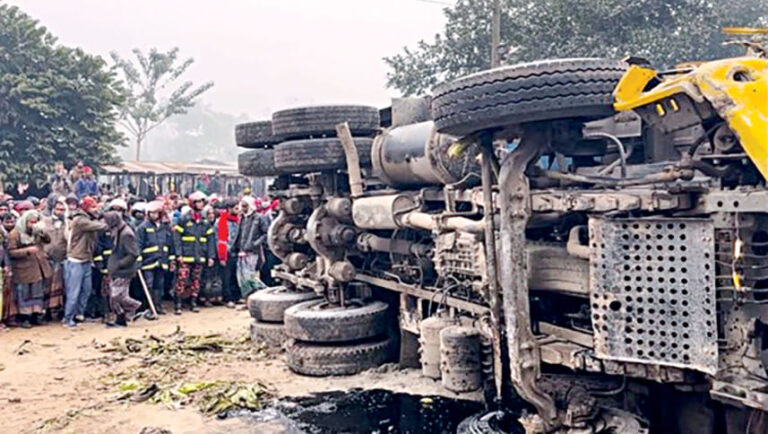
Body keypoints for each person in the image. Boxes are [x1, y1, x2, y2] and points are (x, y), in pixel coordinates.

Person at [63, 196, 108, 328]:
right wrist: (110, 223)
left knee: (86, 290)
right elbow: (99, 227)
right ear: (86, 208)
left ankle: (79, 315)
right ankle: (68, 318)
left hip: (87, 259)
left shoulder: (87, 218)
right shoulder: (80, 220)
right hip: (76, 259)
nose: (96, 210)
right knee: (74, 292)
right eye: (93, 207)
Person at [7, 210, 52, 328]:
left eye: (35, 222)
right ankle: (24, 318)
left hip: (38, 267)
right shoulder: (15, 233)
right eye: (31, 222)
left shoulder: (37, 232)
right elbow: (11, 252)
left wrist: (42, 232)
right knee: (24, 294)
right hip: (24, 269)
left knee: (37, 293)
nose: (33, 224)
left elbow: (48, 241)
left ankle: (36, 316)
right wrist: (26, 251)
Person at [172, 191, 215, 314]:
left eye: (202, 202)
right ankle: (178, 303)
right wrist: (179, 254)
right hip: (186, 256)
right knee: (182, 280)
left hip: (200, 256)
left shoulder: (205, 221)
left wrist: (211, 256)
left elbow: (210, 240)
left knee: (196, 281)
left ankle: (193, 302)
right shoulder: (183, 219)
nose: (200, 204)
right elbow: (177, 238)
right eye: (197, 202)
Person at [103, 212, 142, 327]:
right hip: (117, 269)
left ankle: (137, 307)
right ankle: (120, 318)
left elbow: (133, 254)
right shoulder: (118, 231)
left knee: (117, 295)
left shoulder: (126, 234)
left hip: (124, 270)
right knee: (114, 296)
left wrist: (119, 264)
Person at [136, 201, 173, 315]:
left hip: (161, 261)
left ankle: (158, 306)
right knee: (149, 285)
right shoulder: (143, 227)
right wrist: (138, 261)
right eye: (151, 213)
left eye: (156, 213)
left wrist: (171, 260)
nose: (154, 215)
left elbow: (170, 244)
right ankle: (148, 307)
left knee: (159, 285)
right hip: (148, 261)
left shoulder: (165, 227)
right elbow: (138, 244)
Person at [235, 196, 269, 298]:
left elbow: (266, 233)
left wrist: (255, 243)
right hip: (242, 251)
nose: (243, 208)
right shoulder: (243, 218)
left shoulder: (259, 218)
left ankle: (262, 293)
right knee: (241, 278)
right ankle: (247, 299)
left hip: (253, 252)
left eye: (245, 206)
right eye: (242, 206)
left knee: (250, 277)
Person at [41, 197, 67, 319]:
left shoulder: (68, 223)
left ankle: (60, 310)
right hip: (47, 259)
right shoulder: (45, 222)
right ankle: (47, 312)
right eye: (58, 209)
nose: (60, 212)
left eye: (62, 209)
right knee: (47, 286)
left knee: (63, 287)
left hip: (63, 259)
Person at [216, 199, 240, 307]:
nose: (238, 210)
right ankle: (228, 298)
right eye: (235, 208)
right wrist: (221, 256)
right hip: (225, 252)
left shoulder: (238, 221)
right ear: (229, 209)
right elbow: (218, 239)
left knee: (235, 276)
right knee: (226, 277)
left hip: (236, 252)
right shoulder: (220, 222)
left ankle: (236, 296)